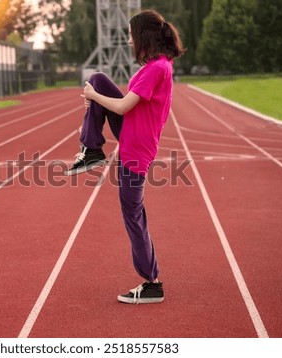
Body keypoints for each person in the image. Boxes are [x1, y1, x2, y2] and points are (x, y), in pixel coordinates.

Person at [64, 9, 185, 304]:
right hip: (133, 133)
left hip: (136, 146)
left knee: (134, 216)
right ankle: (92, 149)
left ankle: (152, 282)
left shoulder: (157, 68)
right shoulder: (160, 64)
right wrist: (96, 94)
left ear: (143, 37)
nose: (130, 42)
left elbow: (121, 108)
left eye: (131, 37)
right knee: (99, 78)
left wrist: (93, 97)